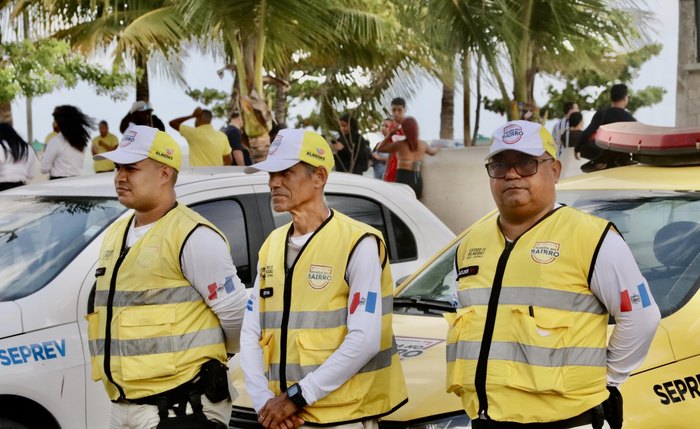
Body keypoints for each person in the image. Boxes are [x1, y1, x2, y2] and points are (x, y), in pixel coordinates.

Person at [446, 120, 661, 429]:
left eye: (526, 163)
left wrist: (604, 379)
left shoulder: (592, 237)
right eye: (499, 165)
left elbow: (642, 317)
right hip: (484, 420)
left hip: (567, 421)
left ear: (555, 170)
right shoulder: (470, 243)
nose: (511, 174)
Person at [240, 128, 407, 429]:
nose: (274, 183)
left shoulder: (359, 243)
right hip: (284, 417)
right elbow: (251, 332)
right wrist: (265, 403)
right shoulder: (272, 245)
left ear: (319, 177)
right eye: (270, 175)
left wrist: (294, 398)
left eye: (285, 173)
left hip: (341, 418)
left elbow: (364, 340)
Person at [88, 125, 248, 429]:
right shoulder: (115, 235)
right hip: (125, 405)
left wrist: (210, 354)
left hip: (181, 407)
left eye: (132, 168)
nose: (120, 176)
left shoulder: (193, 236)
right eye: (118, 167)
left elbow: (237, 314)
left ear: (164, 173)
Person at [375, 116, 438, 199]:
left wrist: (390, 134)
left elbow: (379, 148)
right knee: (415, 204)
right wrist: (439, 147)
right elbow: (433, 152)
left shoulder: (400, 145)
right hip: (417, 177)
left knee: (401, 203)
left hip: (403, 177)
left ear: (404, 130)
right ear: (416, 130)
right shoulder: (423, 145)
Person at [575, 84, 636, 170]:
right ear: (625, 98)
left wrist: (577, 149)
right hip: (621, 160)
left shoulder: (602, 113)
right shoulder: (629, 119)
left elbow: (587, 132)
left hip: (602, 157)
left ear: (611, 98)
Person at [40, 105, 94, 179]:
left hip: (58, 182)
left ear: (59, 122)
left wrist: (44, 157)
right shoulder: (80, 141)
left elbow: (44, 169)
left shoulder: (56, 141)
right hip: (76, 180)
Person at [0, 123, 38, 190]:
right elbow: (31, 175)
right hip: (20, 187)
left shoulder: (1, 146)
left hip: (2, 187)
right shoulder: (28, 148)